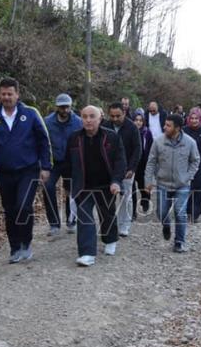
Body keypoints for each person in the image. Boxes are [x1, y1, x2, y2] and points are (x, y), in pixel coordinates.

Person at [0, 78, 52, 264]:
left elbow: (44, 140)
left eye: (10, 94)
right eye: (3, 94)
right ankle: (14, 247)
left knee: (23, 206)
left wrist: (46, 166)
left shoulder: (30, 114)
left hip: (28, 170)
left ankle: (26, 242)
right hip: (4, 172)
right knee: (10, 210)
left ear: (17, 94)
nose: (6, 97)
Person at [66, 106, 126, 267]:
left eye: (92, 116)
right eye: (84, 116)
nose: (88, 120)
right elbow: (67, 164)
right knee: (84, 218)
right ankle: (87, 253)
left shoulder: (112, 137)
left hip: (106, 184)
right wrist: (68, 185)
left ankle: (110, 239)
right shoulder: (74, 138)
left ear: (100, 118)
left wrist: (116, 181)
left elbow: (120, 161)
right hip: (83, 186)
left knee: (107, 215)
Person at [145, 114, 200, 253]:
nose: (165, 127)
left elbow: (195, 160)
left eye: (168, 125)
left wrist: (188, 176)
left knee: (180, 213)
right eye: (165, 124)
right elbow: (151, 162)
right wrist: (148, 181)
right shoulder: (158, 142)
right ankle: (166, 225)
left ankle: (179, 242)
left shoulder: (190, 142)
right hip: (163, 183)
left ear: (177, 128)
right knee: (161, 212)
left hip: (182, 184)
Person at [43, 93, 83, 235]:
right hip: (53, 162)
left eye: (67, 107)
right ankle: (54, 224)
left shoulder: (78, 122)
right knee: (47, 187)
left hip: (71, 163)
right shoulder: (47, 122)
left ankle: (71, 220)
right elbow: (42, 143)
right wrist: (43, 164)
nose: (64, 110)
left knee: (71, 191)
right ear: (57, 107)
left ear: (71, 107)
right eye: (62, 107)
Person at [102, 102, 142, 236]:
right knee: (108, 197)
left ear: (124, 113)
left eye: (118, 116)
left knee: (125, 197)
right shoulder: (105, 126)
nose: (114, 119)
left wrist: (132, 168)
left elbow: (137, 149)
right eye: (112, 116)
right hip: (108, 168)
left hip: (126, 169)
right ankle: (110, 224)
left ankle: (125, 224)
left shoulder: (132, 127)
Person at [133, 111, 154, 214]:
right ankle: (132, 211)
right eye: (136, 120)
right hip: (133, 164)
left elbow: (151, 148)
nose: (138, 122)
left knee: (143, 186)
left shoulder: (147, 132)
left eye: (140, 120)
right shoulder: (130, 132)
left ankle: (145, 202)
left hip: (144, 163)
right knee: (132, 189)